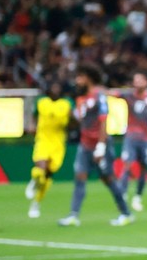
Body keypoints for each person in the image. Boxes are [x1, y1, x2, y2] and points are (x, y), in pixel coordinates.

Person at [58, 65, 135, 227]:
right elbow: (81, 121)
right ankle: (73, 215)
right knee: (80, 176)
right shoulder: (80, 98)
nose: (77, 81)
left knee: (108, 179)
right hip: (85, 144)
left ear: (88, 77)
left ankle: (126, 213)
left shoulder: (99, 96)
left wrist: (101, 146)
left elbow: (103, 121)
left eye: (80, 77)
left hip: (101, 144)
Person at [115, 72, 147, 212]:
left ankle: (137, 198)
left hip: (146, 139)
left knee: (143, 168)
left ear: (146, 82)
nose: (137, 83)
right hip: (131, 137)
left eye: (140, 80)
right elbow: (113, 94)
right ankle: (122, 195)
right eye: (135, 80)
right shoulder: (129, 96)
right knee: (127, 165)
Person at [26, 83, 73, 219]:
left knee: (47, 176)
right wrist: (32, 126)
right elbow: (34, 116)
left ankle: (36, 202)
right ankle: (34, 181)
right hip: (43, 140)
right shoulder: (42, 102)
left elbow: (74, 123)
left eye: (58, 87)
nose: (56, 90)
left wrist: (72, 118)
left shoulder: (67, 103)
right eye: (53, 87)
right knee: (40, 167)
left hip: (58, 143)